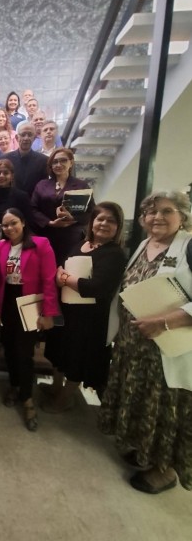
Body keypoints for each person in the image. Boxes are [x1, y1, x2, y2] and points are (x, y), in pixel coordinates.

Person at [98, 191, 192, 494]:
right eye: (151, 211)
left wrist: (163, 322)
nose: (157, 217)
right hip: (133, 346)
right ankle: (144, 449)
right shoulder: (144, 244)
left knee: (166, 407)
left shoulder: (189, 246)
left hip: (167, 348)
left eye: (166, 211)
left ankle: (164, 470)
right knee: (140, 400)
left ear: (182, 216)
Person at [42, 202, 127, 413]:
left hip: (90, 319)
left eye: (111, 221)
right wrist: (60, 274)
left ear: (118, 226)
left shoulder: (115, 254)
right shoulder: (80, 244)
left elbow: (97, 287)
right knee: (60, 351)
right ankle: (55, 387)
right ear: (92, 222)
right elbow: (62, 266)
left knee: (78, 359)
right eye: (100, 219)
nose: (104, 224)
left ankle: (65, 399)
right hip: (67, 311)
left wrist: (65, 279)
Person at [0, 208, 58, 432]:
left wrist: (48, 313)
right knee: (9, 348)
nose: (9, 228)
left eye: (13, 223)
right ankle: (15, 385)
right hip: (7, 302)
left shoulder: (41, 244)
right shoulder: (0, 247)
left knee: (24, 353)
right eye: (5, 225)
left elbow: (49, 280)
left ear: (23, 223)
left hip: (29, 303)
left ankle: (27, 399)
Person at [31, 147, 94, 266]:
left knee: (66, 268)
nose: (58, 164)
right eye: (55, 162)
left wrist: (73, 219)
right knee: (45, 267)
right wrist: (49, 222)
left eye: (63, 160)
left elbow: (91, 212)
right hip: (46, 234)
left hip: (71, 237)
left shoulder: (81, 186)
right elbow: (33, 209)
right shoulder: (42, 185)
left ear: (71, 162)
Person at [6, 122, 48, 196]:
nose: (26, 138)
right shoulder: (6, 159)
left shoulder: (44, 161)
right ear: (17, 137)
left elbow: (44, 187)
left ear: (34, 138)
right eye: (23, 134)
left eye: (30, 135)